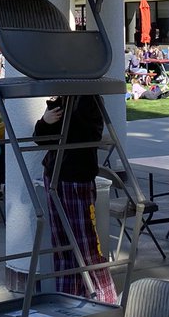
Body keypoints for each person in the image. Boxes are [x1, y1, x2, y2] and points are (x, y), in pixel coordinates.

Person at [34, 96, 117, 303]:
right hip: (55, 175)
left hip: (77, 178)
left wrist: (63, 119)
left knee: (86, 245)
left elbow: (88, 135)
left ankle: (106, 300)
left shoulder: (88, 99)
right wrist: (45, 121)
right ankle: (68, 298)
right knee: (62, 244)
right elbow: (41, 139)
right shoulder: (62, 100)